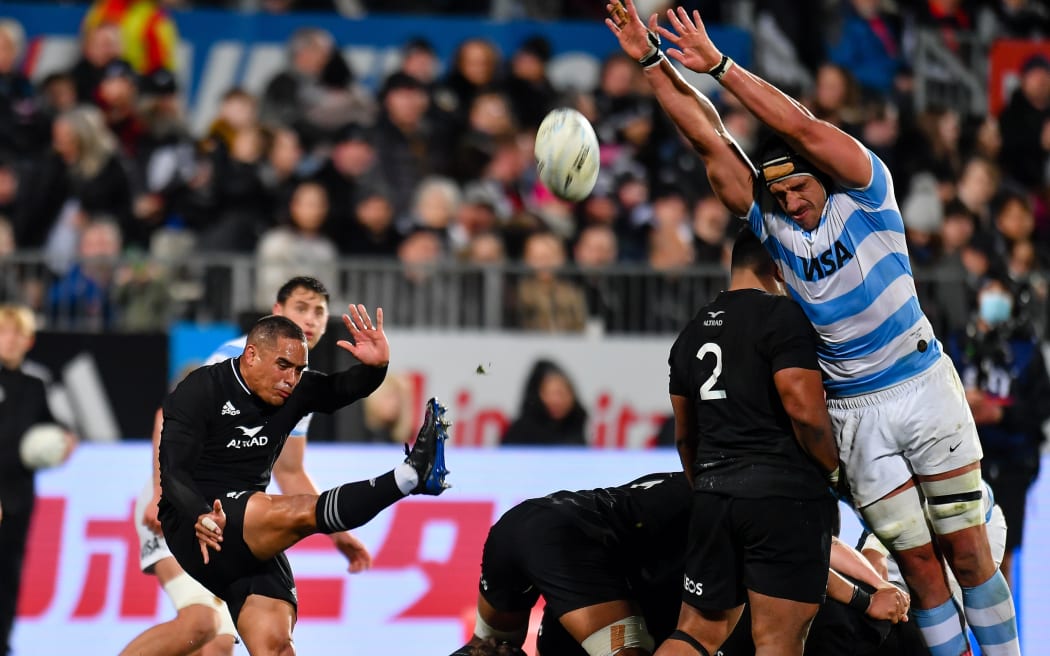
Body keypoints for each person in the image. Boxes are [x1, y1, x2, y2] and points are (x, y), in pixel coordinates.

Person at [604, 3, 1019, 653]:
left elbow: (799, 122)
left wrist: (719, 66)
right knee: (917, 571)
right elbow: (709, 139)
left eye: (800, 188)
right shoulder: (773, 227)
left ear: (819, 172)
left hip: (922, 383)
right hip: (853, 408)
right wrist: (653, 64)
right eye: (781, 195)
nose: (792, 203)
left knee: (968, 554)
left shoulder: (865, 187)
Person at [158, 307, 449, 655]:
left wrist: (376, 368)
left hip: (247, 531)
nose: (291, 380)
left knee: (277, 647)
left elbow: (341, 388)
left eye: (298, 370)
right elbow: (173, 473)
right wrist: (200, 513)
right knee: (298, 511)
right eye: (283, 365)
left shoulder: (295, 390)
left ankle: (410, 476)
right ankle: (408, 476)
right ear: (251, 355)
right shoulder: (202, 388)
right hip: (196, 521)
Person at [122, 277, 373, 656]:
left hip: (222, 513)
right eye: (300, 308)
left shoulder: (291, 381)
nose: (309, 318)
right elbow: (168, 415)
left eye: (318, 311)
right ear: (276, 314)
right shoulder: (241, 357)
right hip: (183, 503)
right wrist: (160, 492)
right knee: (200, 622)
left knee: (218, 643)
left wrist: (335, 532)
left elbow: (289, 471)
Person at [449, 469, 908, 656]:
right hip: (572, 547)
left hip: (527, 529)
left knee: (490, 647)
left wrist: (869, 591)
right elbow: (807, 550)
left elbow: (808, 551)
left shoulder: (715, 493)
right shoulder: (744, 500)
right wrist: (869, 594)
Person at [661, 228, 841, 656]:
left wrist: (707, 485)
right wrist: (833, 469)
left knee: (697, 632)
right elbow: (803, 411)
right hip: (782, 497)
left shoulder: (691, 332)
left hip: (712, 496)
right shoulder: (783, 317)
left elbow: (685, 436)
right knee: (778, 640)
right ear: (780, 265)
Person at [946, 277, 1050, 589]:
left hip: (1011, 466)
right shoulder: (953, 344)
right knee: (957, 553)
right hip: (961, 462)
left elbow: (1041, 407)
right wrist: (962, 400)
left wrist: (1001, 413)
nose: (995, 298)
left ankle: (998, 628)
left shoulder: (1026, 350)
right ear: (977, 296)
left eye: (1001, 292)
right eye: (990, 290)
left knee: (1002, 555)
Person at [0, 304, 77, 655]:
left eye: (18, 333)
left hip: (19, 494)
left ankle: (2, 643)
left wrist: (64, 442)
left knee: (9, 572)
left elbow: (53, 428)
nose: (10, 340)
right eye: (4, 332)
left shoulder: (34, 384)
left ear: (29, 341)